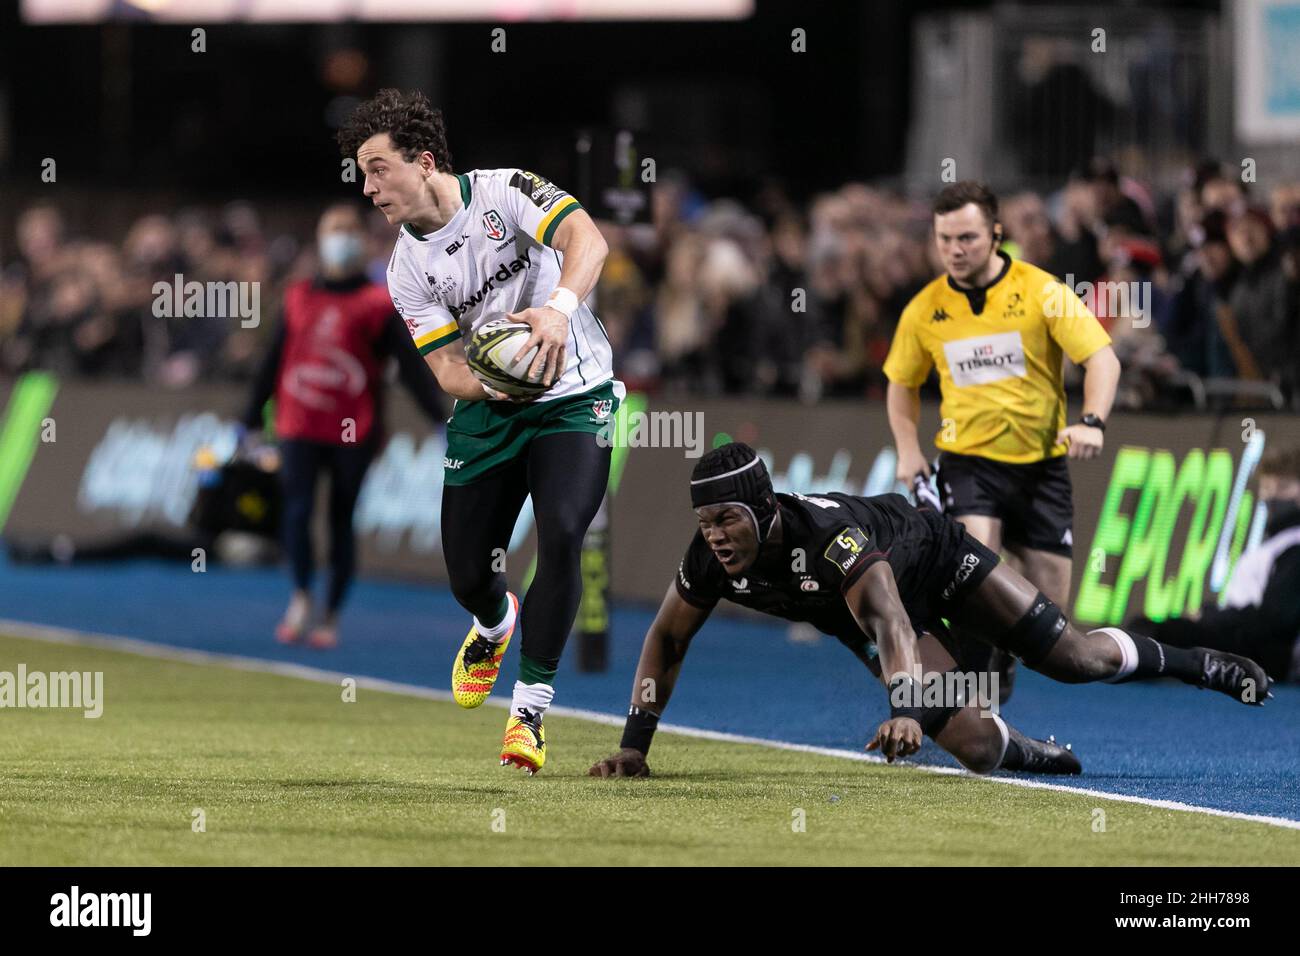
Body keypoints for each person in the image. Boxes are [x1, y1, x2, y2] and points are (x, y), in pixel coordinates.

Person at [590, 444, 1270, 778]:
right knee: (975, 750)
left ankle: (1197, 663)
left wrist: (906, 712)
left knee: (1075, 659)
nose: (713, 535)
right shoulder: (709, 557)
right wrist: (633, 744)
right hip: (872, 618)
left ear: (765, 508)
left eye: (727, 518)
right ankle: (1035, 750)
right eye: (704, 521)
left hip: (935, 560)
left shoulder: (830, 540)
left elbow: (889, 620)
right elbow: (667, 640)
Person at [338, 89, 621, 773]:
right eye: (361, 173)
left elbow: (591, 240)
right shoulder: (404, 268)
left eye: (377, 168)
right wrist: (498, 382)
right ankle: (494, 623)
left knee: (560, 535)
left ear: (424, 160)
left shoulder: (507, 192)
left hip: (575, 397)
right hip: (491, 412)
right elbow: (445, 368)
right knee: (469, 574)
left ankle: (528, 712)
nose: (367, 186)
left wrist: (555, 311)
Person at [885, 181, 1121, 698]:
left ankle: (1003, 656)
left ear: (995, 234)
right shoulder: (924, 309)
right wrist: (908, 448)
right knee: (974, 571)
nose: (954, 249)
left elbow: (1102, 359)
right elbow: (901, 386)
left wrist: (1094, 421)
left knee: (1050, 616)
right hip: (969, 464)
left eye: (966, 237)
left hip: (1041, 469)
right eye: (944, 238)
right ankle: (972, 696)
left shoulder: (1041, 292)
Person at [242, 201, 448, 649]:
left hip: (353, 429)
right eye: (335, 230)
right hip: (298, 422)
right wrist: (249, 419)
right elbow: (273, 360)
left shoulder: (377, 303)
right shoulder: (298, 296)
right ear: (320, 239)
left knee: (340, 517)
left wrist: (439, 418)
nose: (343, 239)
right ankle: (300, 594)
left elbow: (409, 368)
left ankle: (331, 613)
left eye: (349, 231)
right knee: (295, 511)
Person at [1132, 445, 1300, 682]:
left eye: (1281, 489)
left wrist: (1211, 618)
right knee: (1146, 628)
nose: (1269, 498)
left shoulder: (1294, 547)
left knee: (1162, 633)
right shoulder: (1275, 544)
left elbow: (1274, 619)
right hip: (1240, 631)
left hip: (1259, 650)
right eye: (1266, 489)